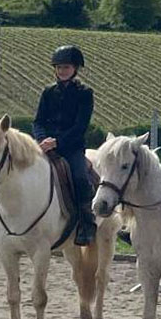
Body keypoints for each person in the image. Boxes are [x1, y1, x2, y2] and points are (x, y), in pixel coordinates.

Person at [33, 44, 97, 245]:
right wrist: (42, 139)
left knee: (80, 178)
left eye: (66, 67)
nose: (62, 71)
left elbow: (80, 126)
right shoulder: (48, 91)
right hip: (45, 145)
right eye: (59, 67)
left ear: (75, 69)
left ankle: (86, 224)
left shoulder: (84, 93)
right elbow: (38, 121)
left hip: (71, 147)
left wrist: (58, 142)